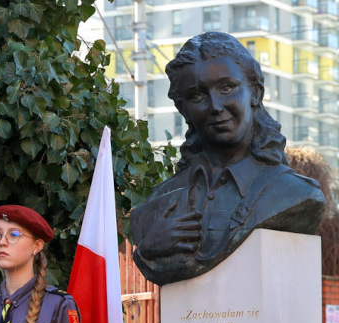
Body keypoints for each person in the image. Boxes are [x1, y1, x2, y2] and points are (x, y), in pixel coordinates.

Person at [127, 31, 324, 285]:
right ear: (183, 109)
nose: (215, 106)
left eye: (227, 88)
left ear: (255, 93)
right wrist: (148, 250)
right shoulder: (159, 202)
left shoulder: (295, 193)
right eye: (197, 96)